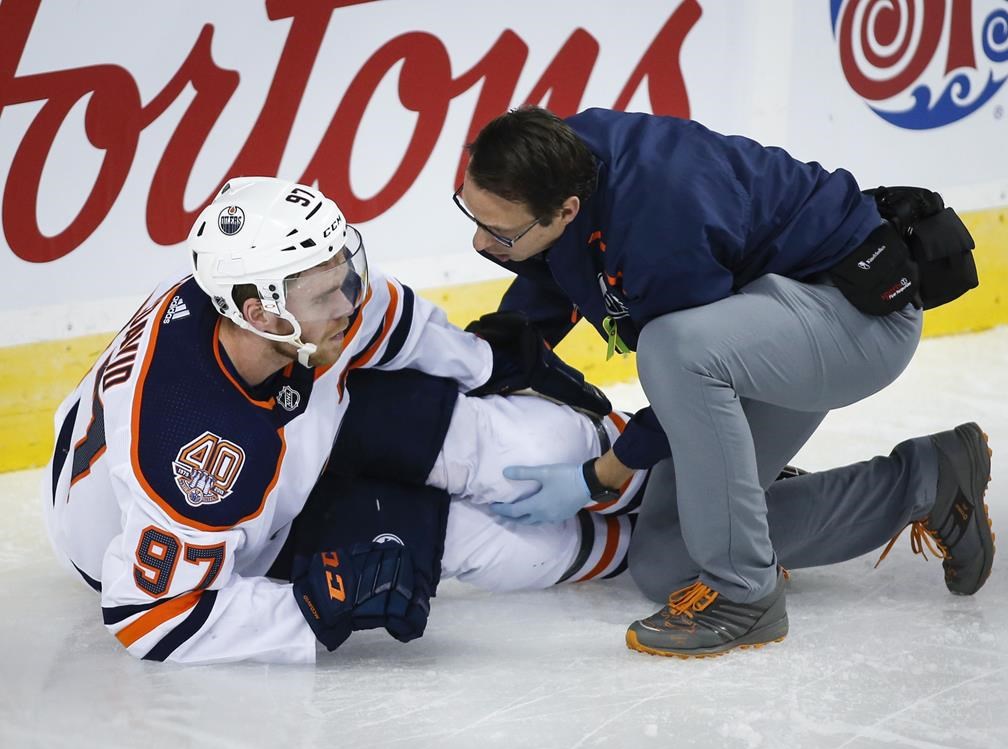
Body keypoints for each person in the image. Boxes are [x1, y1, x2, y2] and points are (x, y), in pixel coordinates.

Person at [452, 105, 995, 658]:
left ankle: (743, 595)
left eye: (498, 231)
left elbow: (686, 370)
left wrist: (598, 476)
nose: (479, 243)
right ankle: (927, 480)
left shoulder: (662, 219)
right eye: (470, 213)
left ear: (566, 208)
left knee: (670, 348)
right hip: (761, 324)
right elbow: (558, 277)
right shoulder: (556, 162)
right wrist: (473, 365)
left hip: (853, 320)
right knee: (667, 560)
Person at [43, 176, 641, 665]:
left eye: (344, 273)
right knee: (465, 538)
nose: (348, 301)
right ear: (261, 313)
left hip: (287, 420)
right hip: (213, 528)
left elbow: (383, 317)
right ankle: (643, 547)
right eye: (326, 293)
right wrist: (312, 605)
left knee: (513, 441)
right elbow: (152, 617)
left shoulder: (271, 305)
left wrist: (486, 362)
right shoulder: (193, 457)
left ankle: (651, 471)